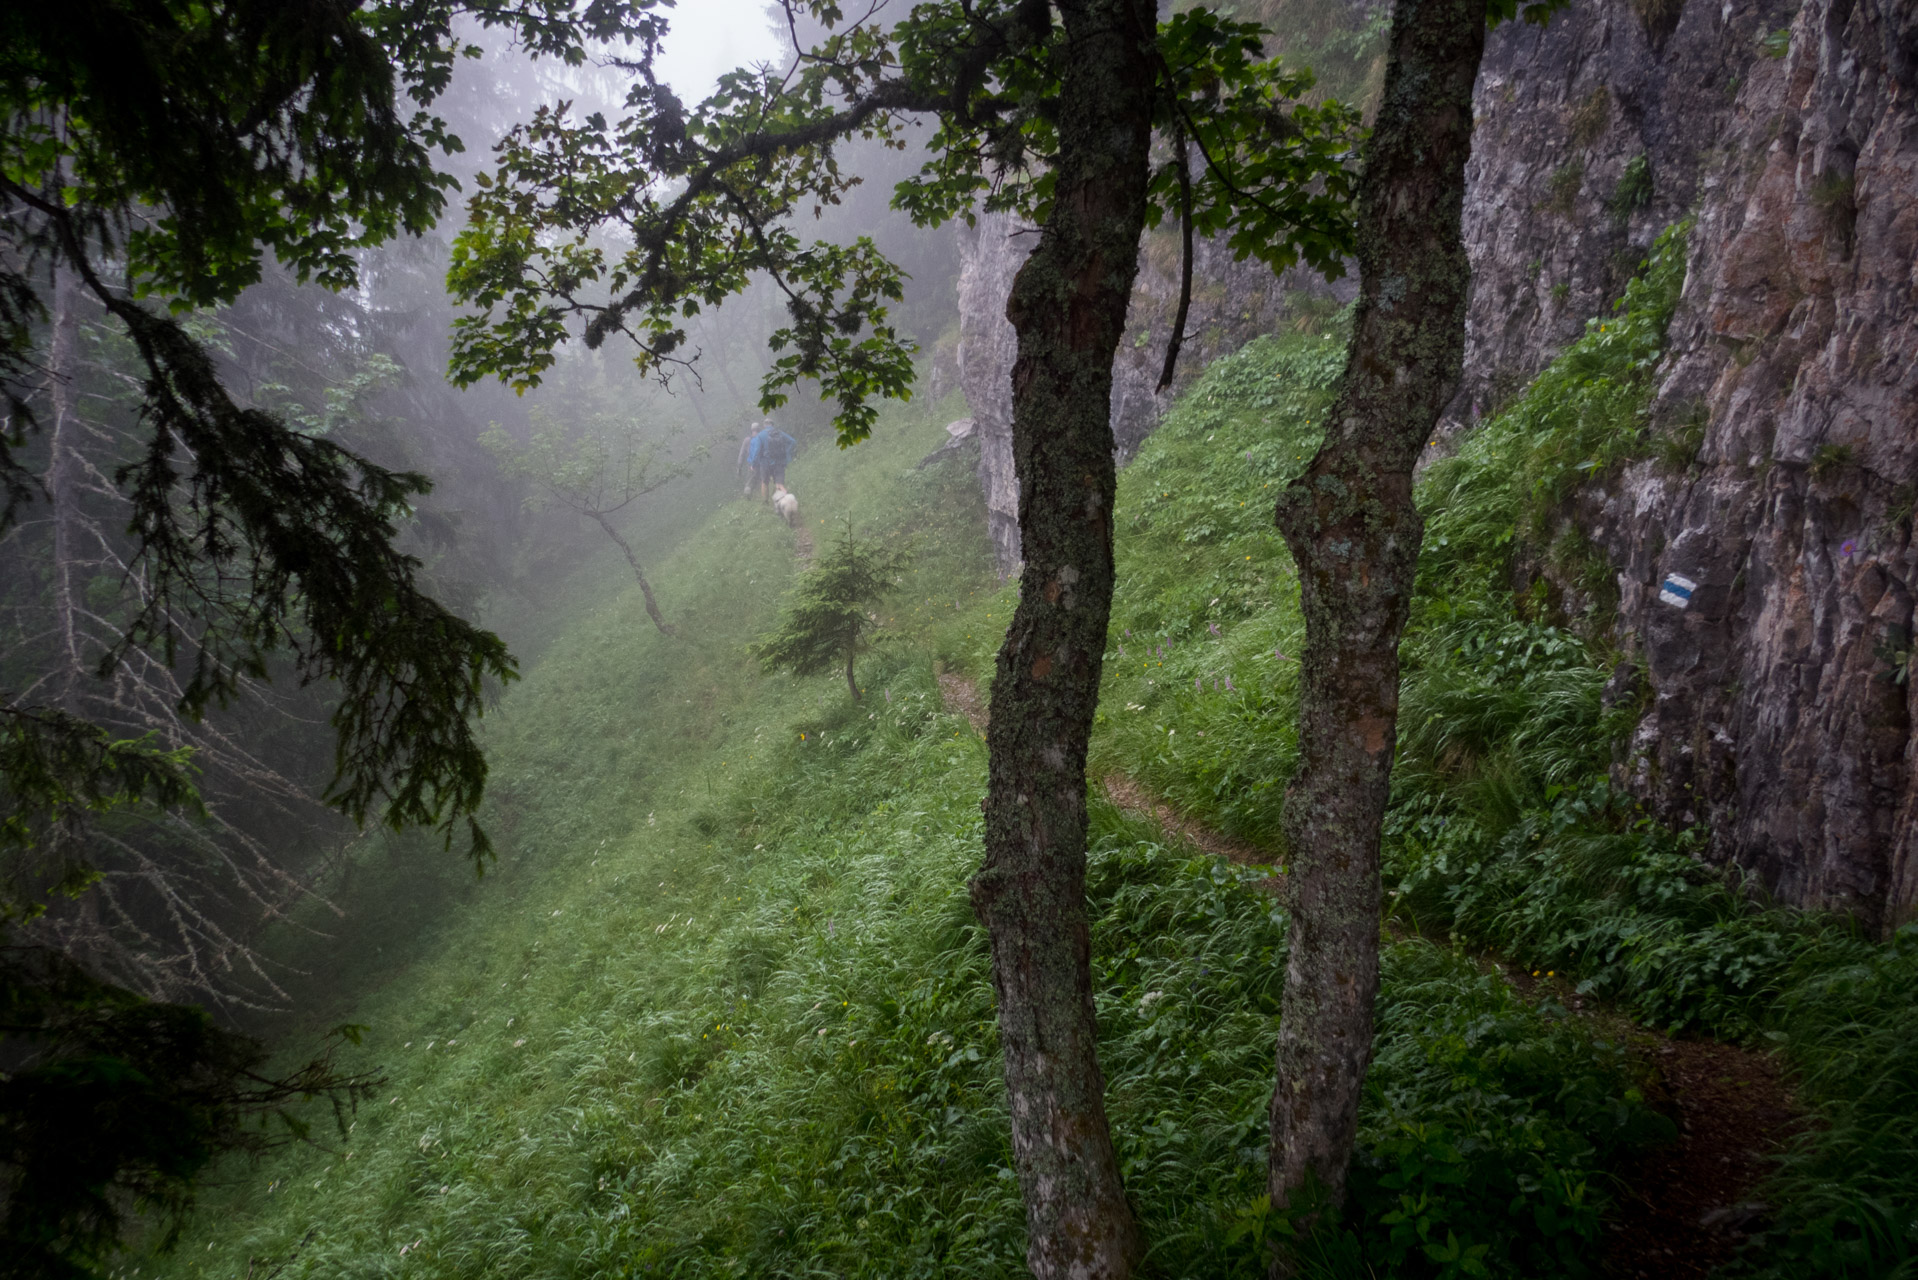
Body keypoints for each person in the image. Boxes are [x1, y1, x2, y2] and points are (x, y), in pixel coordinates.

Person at [755, 423, 796, 499]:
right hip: (779, 462)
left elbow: (757, 450)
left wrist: (754, 463)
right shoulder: (779, 433)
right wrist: (787, 451)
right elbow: (793, 441)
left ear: (764, 425)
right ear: (772, 425)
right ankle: (786, 499)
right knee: (779, 484)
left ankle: (765, 503)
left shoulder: (760, 435)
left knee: (764, 482)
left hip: (765, 464)